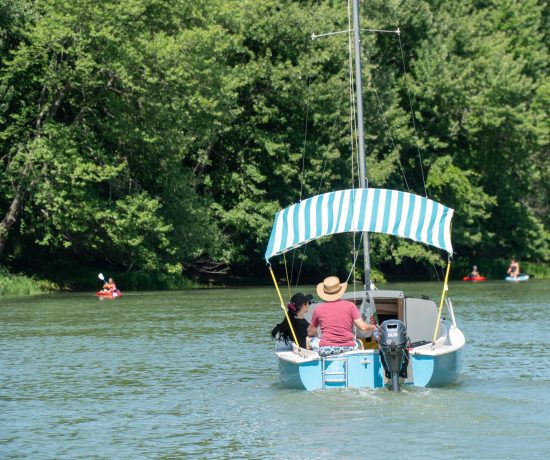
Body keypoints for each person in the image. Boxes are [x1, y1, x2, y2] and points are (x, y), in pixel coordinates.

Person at [307, 276, 377, 357]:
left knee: (308, 340)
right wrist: (375, 327)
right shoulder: (350, 306)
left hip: (326, 349)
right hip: (349, 348)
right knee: (360, 342)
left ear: (325, 293)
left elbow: (310, 332)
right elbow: (363, 327)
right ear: (340, 291)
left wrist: (316, 335)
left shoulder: (318, 309)